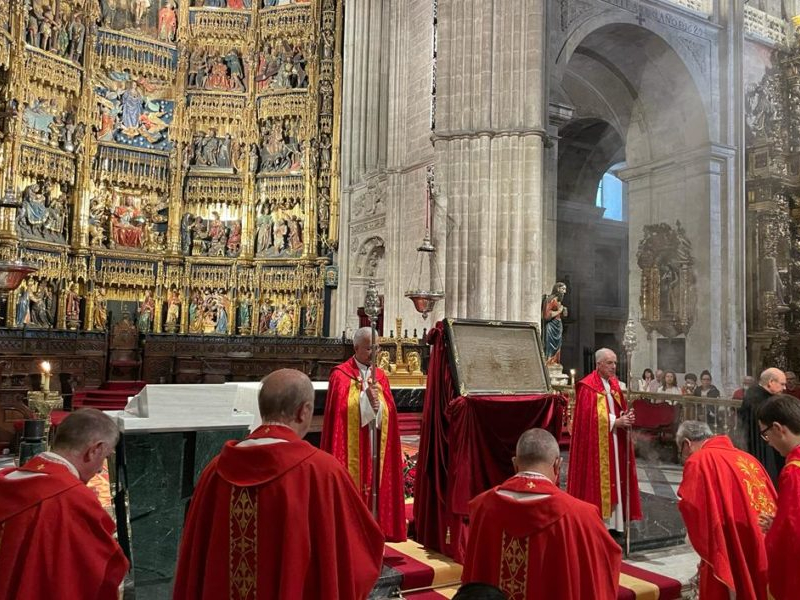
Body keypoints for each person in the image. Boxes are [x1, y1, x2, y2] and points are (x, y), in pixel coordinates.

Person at [173, 369, 384, 600]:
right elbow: (358, 557)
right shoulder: (322, 472)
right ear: (303, 411)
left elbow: (193, 563)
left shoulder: (214, 472)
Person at [463, 429, 621, 599]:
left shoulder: (481, 507)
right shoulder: (582, 516)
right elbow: (603, 568)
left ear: (515, 463)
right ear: (557, 465)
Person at [0, 409, 129, 598]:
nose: (101, 468)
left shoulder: (9, 479)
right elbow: (100, 569)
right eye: (105, 456)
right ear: (95, 450)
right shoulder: (74, 499)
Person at [321, 326, 406, 541]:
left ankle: (377, 528)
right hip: (352, 446)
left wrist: (379, 406)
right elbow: (340, 413)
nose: (374, 353)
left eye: (376, 348)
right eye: (369, 348)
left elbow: (389, 413)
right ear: (356, 347)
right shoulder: (340, 375)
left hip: (374, 441)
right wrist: (363, 399)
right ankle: (350, 532)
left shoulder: (381, 376)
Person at [676, 420, 776, 600]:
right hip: (765, 537)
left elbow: (693, 507)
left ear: (686, 443)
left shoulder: (699, 460)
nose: (684, 458)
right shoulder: (748, 458)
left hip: (732, 541)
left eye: (681, 452)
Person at [567, 348, 641, 535]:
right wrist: (615, 421)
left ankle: (615, 523)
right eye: (609, 363)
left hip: (615, 441)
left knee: (616, 477)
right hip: (597, 445)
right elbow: (587, 419)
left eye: (615, 363)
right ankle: (599, 520)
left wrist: (626, 416)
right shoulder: (587, 386)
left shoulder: (614, 384)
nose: (614, 366)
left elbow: (618, 409)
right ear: (598, 364)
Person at [757, 394, 800, 600]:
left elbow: (792, 535)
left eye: (765, 434)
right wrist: (780, 520)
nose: (769, 443)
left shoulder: (794, 470)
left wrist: (776, 530)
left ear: (777, 428)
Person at [739, 368, 786, 485]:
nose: (784, 388)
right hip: (761, 447)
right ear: (771, 382)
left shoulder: (755, 393)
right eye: (782, 384)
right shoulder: (760, 398)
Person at [542, 282, 568, 366]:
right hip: (551, 325)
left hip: (558, 326)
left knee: (558, 345)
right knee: (550, 344)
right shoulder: (550, 300)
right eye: (563, 289)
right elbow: (546, 315)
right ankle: (549, 362)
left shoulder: (559, 302)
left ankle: (555, 362)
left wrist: (564, 312)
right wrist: (559, 311)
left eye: (565, 289)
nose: (564, 292)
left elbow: (561, 315)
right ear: (557, 289)